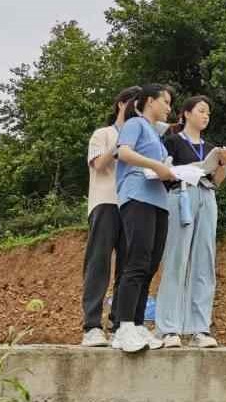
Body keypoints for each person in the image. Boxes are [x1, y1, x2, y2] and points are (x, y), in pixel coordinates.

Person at [155, 96, 226, 349]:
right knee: (176, 259)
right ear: (187, 113)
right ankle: (169, 328)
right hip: (181, 195)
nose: (205, 116)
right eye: (201, 111)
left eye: (208, 113)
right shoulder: (172, 141)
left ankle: (200, 327)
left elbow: (217, 180)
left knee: (204, 261)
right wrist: (190, 167)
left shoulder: (210, 147)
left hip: (207, 196)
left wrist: (222, 163)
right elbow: (163, 173)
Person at [111, 84, 177, 353]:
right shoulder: (135, 124)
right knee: (136, 262)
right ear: (150, 101)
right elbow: (123, 152)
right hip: (137, 197)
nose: (169, 108)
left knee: (150, 264)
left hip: (159, 202)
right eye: (166, 102)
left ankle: (137, 324)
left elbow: (160, 169)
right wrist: (156, 165)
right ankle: (123, 326)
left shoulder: (157, 137)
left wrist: (170, 171)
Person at [81, 86, 141, 347]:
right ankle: (92, 326)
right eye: (136, 104)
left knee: (127, 268)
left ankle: (119, 326)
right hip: (105, 202)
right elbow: (98, 164)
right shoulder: (103, 134)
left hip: (132, 205)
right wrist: (121, 144)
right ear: (122, 104)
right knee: (98, 263)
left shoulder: (141, 136)